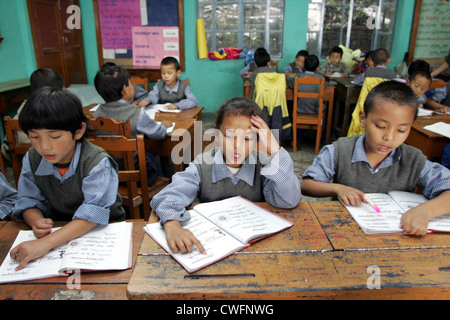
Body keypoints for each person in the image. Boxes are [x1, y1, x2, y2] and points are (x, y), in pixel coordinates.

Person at [151, 97, 301, 253]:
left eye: (247, 138)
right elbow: (169, 195)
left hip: (258, 249)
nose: (236, 146)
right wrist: (172, 224)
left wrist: (275, 150)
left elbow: (288, 200)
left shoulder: (266, 165)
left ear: (258, 139)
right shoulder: (202, 165)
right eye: (228, 136)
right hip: (211, 246)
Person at [301, 81, 450, 236]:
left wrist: (424, 212)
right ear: (363, 118)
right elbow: (307, 184)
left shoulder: (413, 160)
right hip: (345, 233)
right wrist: (338, 188)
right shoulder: (339, 151)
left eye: (401, 130)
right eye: (380, 126)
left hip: (395, 237)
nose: (389, 137)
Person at [10, 88, 126, 270]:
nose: (44, 146)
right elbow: (28, 199)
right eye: (34, 136)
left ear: (78, 131)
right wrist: (36, 220)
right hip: (59, 231)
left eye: (55, 136)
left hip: (102, 233)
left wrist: (46, 242)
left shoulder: (96, 161)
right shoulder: (32, 159)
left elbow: (91, 215)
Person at [94, 64, 172, 185]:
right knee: (152, 160)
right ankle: (161, 193)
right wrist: (164, 126)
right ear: (125, 90)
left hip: (107, 173)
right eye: (130, 84)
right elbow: (159, 134)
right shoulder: (136, 114)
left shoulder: (97, 115)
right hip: (135, 175)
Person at [1, 68, 64, 161]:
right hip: (52, 157)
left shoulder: (24, 107)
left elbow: (6, 149)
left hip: (22, 158)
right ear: (58, 90)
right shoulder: (60, 107)